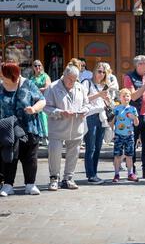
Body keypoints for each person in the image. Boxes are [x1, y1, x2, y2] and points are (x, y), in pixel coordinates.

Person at [0, 63, 46, 197]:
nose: (1, 76)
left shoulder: (28, 84)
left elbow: (42, 100)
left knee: (30, 157)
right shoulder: (1, 86)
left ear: (11, 75)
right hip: (7, 129)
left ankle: (30, 184)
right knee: (9, 156)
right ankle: (8, 185)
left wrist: (34, 109)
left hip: (29, 126)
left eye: (3, 74)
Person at [44, 65, 92, 191]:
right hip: (57, 128)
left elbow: (87, 104)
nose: (72, 82)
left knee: (74, 153)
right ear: (64, 75)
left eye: (75, 79)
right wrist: (60, 112)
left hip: (76, 127)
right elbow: (46, 107)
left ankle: (68, 178)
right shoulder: (53, 87)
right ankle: (54, 179)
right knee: (54, 153)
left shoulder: (80, 87)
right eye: (70, 79)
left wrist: (84, 111)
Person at [123, 55, 145, 179]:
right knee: (132, 143)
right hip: (134, 115)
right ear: (138, 65)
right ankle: (132, 170)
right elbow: (133, 96)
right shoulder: (129, 77)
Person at [82, 62, 111, 184]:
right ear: (94, 71)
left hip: (101, 116)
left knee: (98, 147)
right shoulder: (86, 83)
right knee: (91, 147)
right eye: (99, 71)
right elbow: (83, 99)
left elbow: (109, 104)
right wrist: (99, 94)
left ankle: (94, 173)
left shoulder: (104, 86)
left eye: (104, 72)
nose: (101, 74)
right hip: (91, 116)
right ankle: (91, 174)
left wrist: (107, 101)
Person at [112, 89, 140, 182]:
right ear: (120, 98)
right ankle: (116, 174)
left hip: (129, 135)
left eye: (127, 95)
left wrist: (134, 118)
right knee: (117, 155)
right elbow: (112, 122)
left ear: (130, 97)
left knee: (129, 155)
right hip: (118, 135)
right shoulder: (116, 109)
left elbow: (136, 124)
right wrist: (111, 131)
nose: (126, 98)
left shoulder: (133, 109)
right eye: (123, 96)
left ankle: (130, 173)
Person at [29, 60, 51, 146]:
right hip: (33, 101)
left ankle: (45, 136)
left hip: (43, 100)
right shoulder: (31, 78)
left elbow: (47, 87)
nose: (37, 67)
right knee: (34, 118)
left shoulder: (45, 76)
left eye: (39, 65)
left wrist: (36, 90)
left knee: (43, 117)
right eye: (35, 66)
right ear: (33, 67)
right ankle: (37, 136)